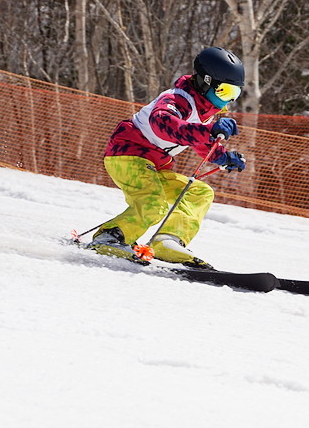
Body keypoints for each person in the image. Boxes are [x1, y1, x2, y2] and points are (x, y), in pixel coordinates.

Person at [89, 47, 247, 269]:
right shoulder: (176, 99)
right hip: (127, 154)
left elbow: (198, 139)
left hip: (154, 165)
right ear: (205, 82)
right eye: (224, 92)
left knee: (199, 193)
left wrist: (223, 157)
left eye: (235, 94)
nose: (228, 101)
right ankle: (109, 237)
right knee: (153, 202)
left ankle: (168, 241)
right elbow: (163, 124)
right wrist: (209, 130)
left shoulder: (205, 110)